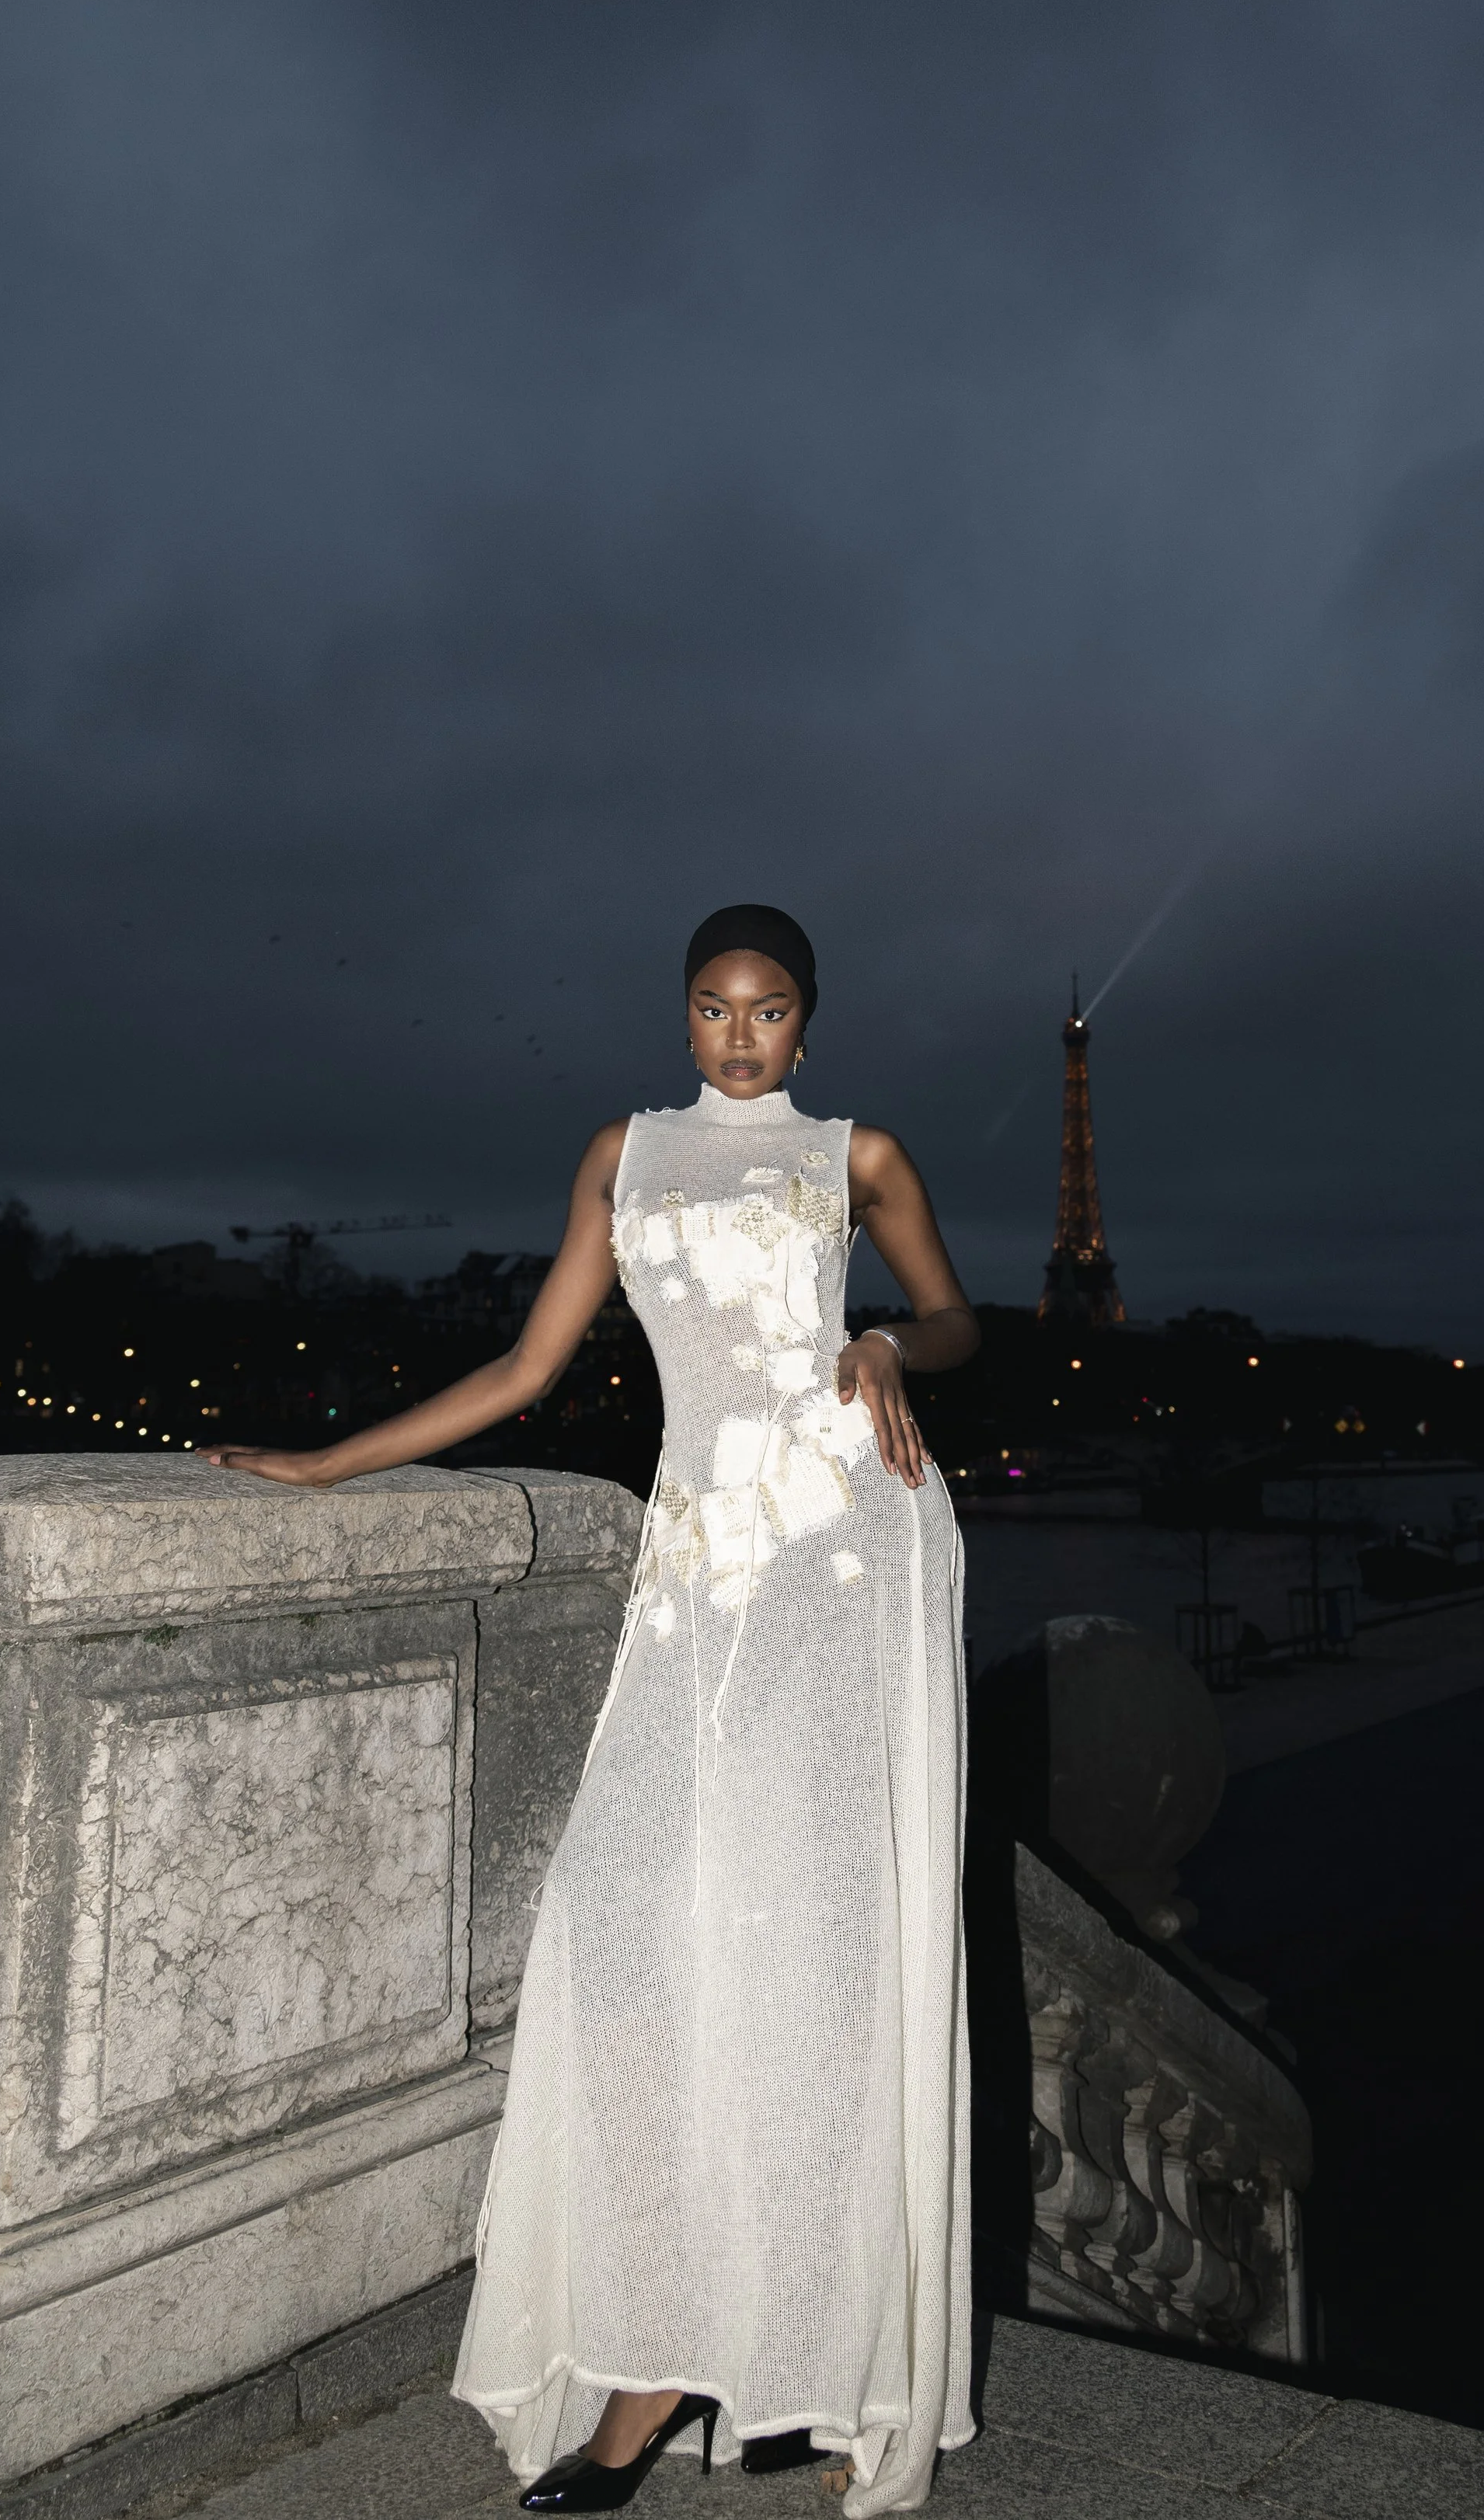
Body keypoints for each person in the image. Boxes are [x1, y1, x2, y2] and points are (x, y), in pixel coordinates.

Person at [205, 905, 980, 2515]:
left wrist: (887, 1338)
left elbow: (962, 1313)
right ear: (681, 1016)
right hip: (695, 1574)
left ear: (805, 1030)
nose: (740, 1035)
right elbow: (522, 1368)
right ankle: (695, 2336)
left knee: (815, 1947)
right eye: (713, 1007)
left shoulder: (858, 1153)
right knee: (622, 1924)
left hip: (844, 1550)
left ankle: (750, 2368)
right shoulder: (622, 1154)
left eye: (769, 1013)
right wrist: (321, 1461)